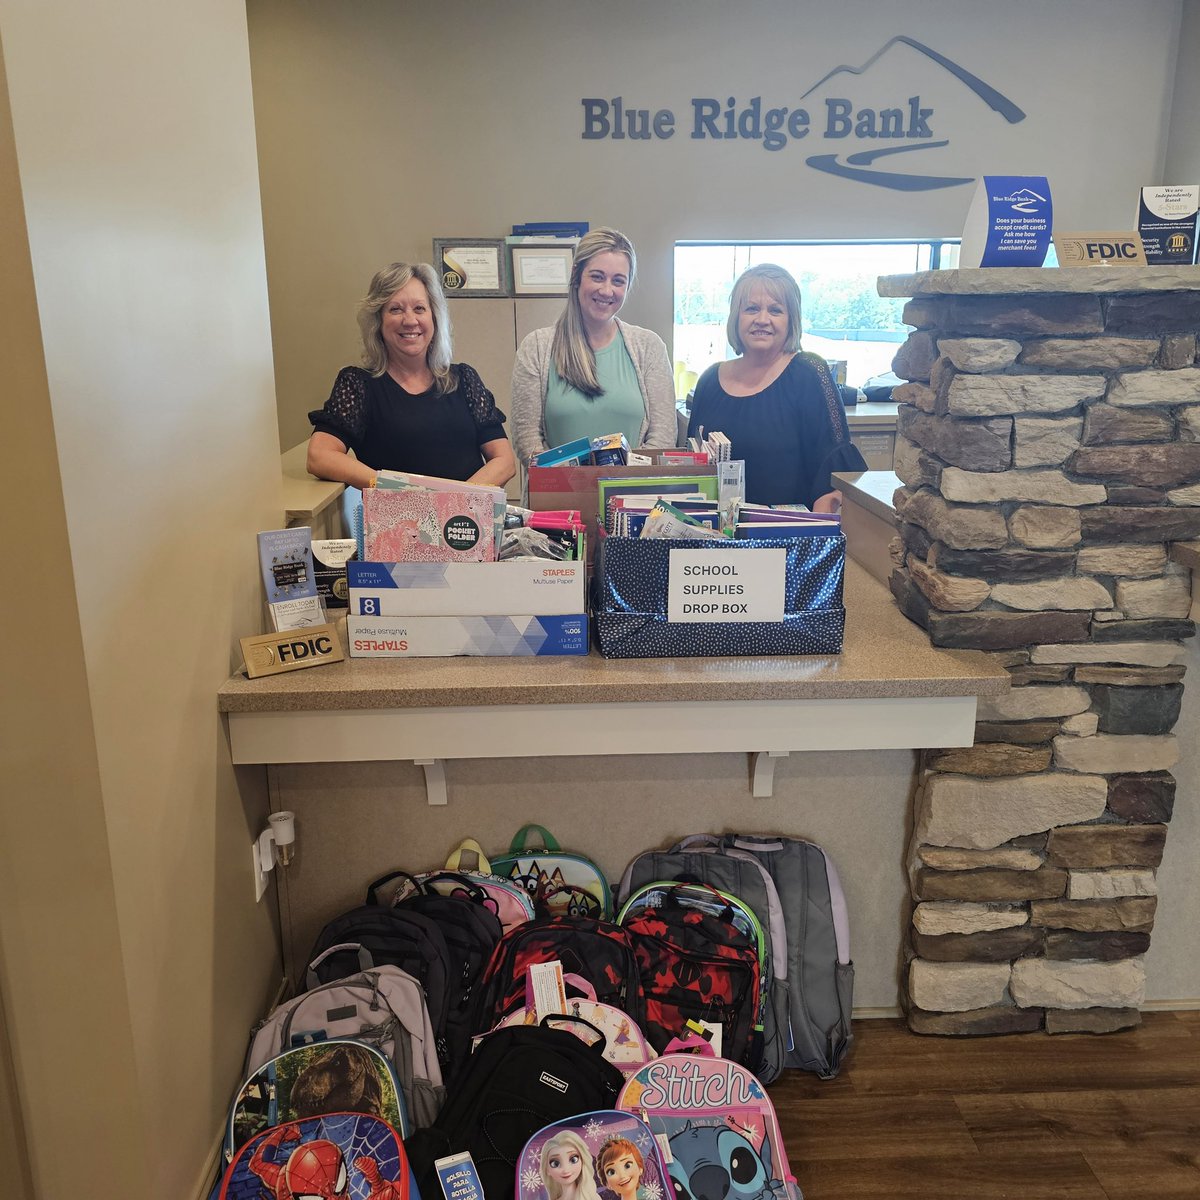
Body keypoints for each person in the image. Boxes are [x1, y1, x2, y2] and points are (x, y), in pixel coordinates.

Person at [307, 262, 516, 490]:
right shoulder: (358, 385)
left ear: (434, 318)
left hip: (465, 520)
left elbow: (504, 462)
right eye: (395, 309)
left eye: (419, 309)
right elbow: (319, 455)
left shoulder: (464, 379)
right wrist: (400, 491)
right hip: (397, 521)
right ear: (379, 322)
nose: (409, 320)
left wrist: (453, 500)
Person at [687, 264, 866, 512]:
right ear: (735, 316)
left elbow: (835, 474)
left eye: (775, 310)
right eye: (751, 308)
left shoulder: (809, 373)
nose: (762, 319)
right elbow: (693, 470)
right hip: (716, 539)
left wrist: (811, 535)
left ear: (791, 319)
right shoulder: (709, 381)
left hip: (787, 540)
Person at [511, 228, 678, 466]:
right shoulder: (537, 347)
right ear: (576, 276)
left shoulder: (649, 347)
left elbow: (662, 438)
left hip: (630, 497)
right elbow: (526, 439)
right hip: (558, 497)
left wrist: (620, 485)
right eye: (597, 276)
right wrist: (576, 485)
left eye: (618, 280)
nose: (607, 290)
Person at [541, 1131, 602, 1200]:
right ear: (547, 1169)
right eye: (555, 1163)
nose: (565, 1170)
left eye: (573, 1160)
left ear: (582, 1160)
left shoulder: (592, 1198)